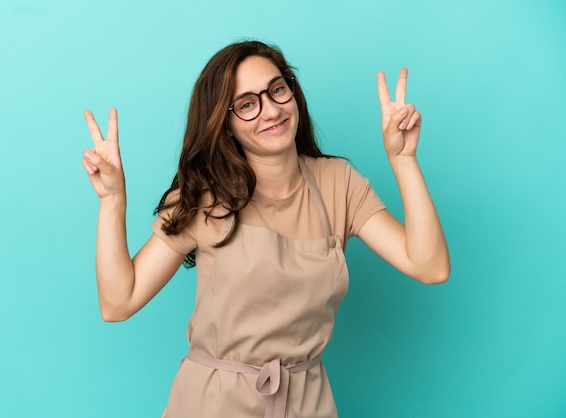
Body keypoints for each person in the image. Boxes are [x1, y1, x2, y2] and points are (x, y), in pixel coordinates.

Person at [81, 41, 449, 418]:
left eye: (277, 89)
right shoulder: (205, 196)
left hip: (307, 405)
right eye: (246, 104)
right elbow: (118, 302)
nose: (272, 109)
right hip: (212, 404)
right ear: (224, 123)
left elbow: (430, 266)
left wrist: (404, 160)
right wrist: (112, 201)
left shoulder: (340, 183)